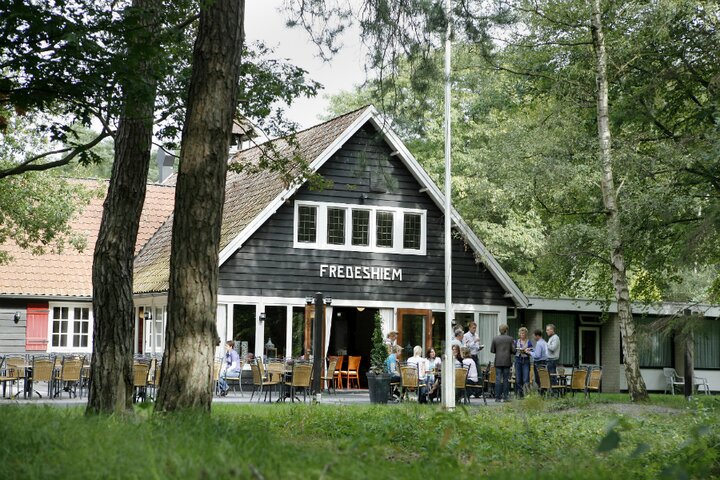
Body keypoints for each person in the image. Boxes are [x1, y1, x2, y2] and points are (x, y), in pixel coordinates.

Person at [490, 324, 515, 402]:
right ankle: (505, 397)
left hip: (498, 361)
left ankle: (497, 397)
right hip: (507, 361)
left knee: (497, 379)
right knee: (505, 379)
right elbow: (513, 351)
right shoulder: (510, 339)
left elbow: (492, 350)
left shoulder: (495, 338)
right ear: (506, 330)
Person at [514, 327, 533, 398]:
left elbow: (532, 351)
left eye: (524, 333)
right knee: (518, 378)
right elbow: (513, 350)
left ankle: (526, 394)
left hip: (526, 360)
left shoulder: (529, 342)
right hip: (518, 359)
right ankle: (519, 394)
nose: (522, 334)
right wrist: (517, 350)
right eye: (521, 333)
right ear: (519, 334)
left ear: (526, 334)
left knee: (526, 378)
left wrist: (527, 350)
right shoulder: (516, 341)